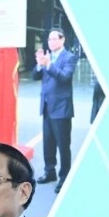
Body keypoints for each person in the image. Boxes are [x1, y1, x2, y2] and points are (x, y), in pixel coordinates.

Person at [32, 28, 76, 193]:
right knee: (48, 143)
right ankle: (50, 172)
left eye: (54, 39)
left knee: (63, 145)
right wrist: (39, 63)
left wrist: (48, 64)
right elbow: (35, 76)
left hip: (61, 109)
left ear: (62, 40)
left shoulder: (69, 57)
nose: (50, 42)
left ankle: (64, 177)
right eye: (49, 39)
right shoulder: (46, 57)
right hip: (46, 107)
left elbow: (65, 77)